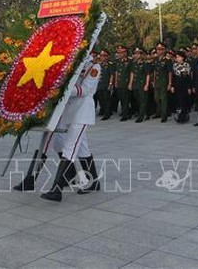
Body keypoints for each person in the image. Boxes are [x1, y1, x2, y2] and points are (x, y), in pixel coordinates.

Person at [41, 56, 102, 202]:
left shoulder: (94, 66)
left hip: (82, 111)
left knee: (71, 147)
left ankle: (57, 189)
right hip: (68, 109)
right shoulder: (71, 64)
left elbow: (86, 90)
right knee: (70, 146)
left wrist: (62, 89)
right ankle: (91, 181)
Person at [152, 42, 174, 122]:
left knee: (164, 99)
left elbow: (170, 72)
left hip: (164, 81)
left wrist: (170, 83)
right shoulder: (155, 59)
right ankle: (160, 111)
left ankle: (164, 115)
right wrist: (153, 80)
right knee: (156, 98)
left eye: (160, 49)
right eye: (157, 49)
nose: (158, 51)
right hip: (157, 81)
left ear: (164, 50)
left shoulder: (167, 60)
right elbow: (155, 71)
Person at [130, 48, 150, 123]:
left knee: (142, 100)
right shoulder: (134, 63)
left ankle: (141, 116)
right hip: (135, 84)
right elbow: (132, 73)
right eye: (135, 53)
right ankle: (146, 112)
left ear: (141, 55)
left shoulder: (145, 64)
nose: (136, 55)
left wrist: (146, 84)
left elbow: (147, 75)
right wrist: (130, 83)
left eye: (138, 54)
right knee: (137, 100)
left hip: (142, 84)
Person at [171, 51, 192, 124]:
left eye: (179, 57)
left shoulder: (187, 65)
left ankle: (183, 117)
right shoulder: (174, 65)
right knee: (178, 101)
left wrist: (189, 87)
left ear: (182, 57)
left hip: (184, 85)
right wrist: (172, 86)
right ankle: (179, 115)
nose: (177, 58)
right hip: (177, 84)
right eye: (176, 57)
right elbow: (173, 77)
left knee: (184, 101)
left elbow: (189, 77)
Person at [112, 45, 132, 121]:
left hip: (126, 82)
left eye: (121, 52)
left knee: (125, 99)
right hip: (120, 82)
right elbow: (117, 72)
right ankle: (126, 111)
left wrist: (130, 83)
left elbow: (131, 73)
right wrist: (116, 81)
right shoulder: (117, 61)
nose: (119, 54)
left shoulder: (129, 61)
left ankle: (125, 114)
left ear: (125, 53)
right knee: (121, 98)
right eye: (118, 52)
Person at [97, 50, 114, 120]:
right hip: (99, 84)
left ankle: (107, 114)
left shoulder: (110, 64)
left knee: (106, 99)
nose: (102, 57)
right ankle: (102, 110)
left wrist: (110, 83)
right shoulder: (98, 64)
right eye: (101, 55)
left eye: (104, 55)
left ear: (108, 56)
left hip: (106, 84)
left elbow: (112, 75)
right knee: (100, 99)